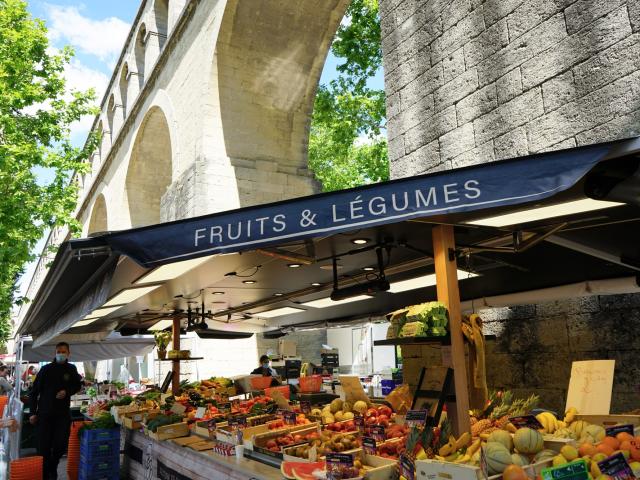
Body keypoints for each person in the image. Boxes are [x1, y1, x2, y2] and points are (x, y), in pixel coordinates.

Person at [29, 342, 82, 480]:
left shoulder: (71, 369)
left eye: (64, 352)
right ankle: (47, 475)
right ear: (55, 352)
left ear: (68, 353)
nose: (61, 354)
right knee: (43, 449)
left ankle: (53, 466)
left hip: (62, 415)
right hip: (44, 415)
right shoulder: (45, 370)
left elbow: (77, 385)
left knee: (60, 445)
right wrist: (32, 413)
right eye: (59, 351)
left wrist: (67, 391)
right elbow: (33, 392)